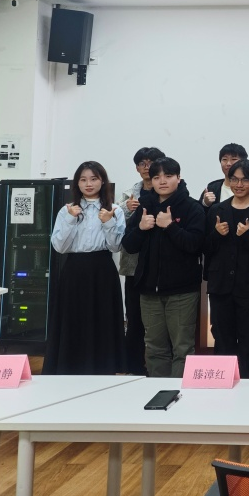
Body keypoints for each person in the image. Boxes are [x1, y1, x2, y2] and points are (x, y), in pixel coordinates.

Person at [121, 157, 206, 378]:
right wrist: (140, 228)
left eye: (168, 176)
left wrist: (170, 227)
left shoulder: (192, 207)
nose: (163, 181)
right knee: (154, 348)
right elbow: (128, 246)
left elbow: (196, 245)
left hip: (182, 291)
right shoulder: (144, 206)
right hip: (149, 290)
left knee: (182, 348)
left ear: (178, 177)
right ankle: (158, 391)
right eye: (157, 177)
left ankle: (180, 393)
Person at [45, 161, 125, 375]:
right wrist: (71, 219)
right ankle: (68, 368)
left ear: (102, 181)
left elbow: (116, 246)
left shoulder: (115, 210)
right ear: (77, 183)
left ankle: (103, 369)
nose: (88, 184)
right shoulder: (67, 210)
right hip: (74, 270)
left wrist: (108, 222)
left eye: (94, 179)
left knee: (102, 320)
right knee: (73, 320)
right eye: (83, 179)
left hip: (103, 270)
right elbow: (59, 247)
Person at [204, 160, 249, 379]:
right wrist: (216, 234)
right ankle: (222, 386)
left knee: (248, 343)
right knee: (222, 342)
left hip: (248, 288)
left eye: (245, 180)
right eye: (234, 179)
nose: (239, 184)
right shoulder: (217, 210)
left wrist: (248, 236)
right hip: (220, 288)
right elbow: (205, 248)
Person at [116, 146, 164, 375]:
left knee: (158, 320)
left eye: (151, 163)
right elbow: (116, 227)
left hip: (159, 265)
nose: (147, 167)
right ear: (137, 168)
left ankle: (160, 367)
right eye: (142, 163)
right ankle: (133, 366)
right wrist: (126, 210)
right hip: (133, 265)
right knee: (134, 318)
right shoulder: (128, 195)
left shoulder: (165, 190)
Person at [200, 143, 249, 209]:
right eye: (224, 159)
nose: (228, 163)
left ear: (243, 162)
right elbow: (200, 213)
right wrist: (205, 204)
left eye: (233, 159)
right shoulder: (212, 188)